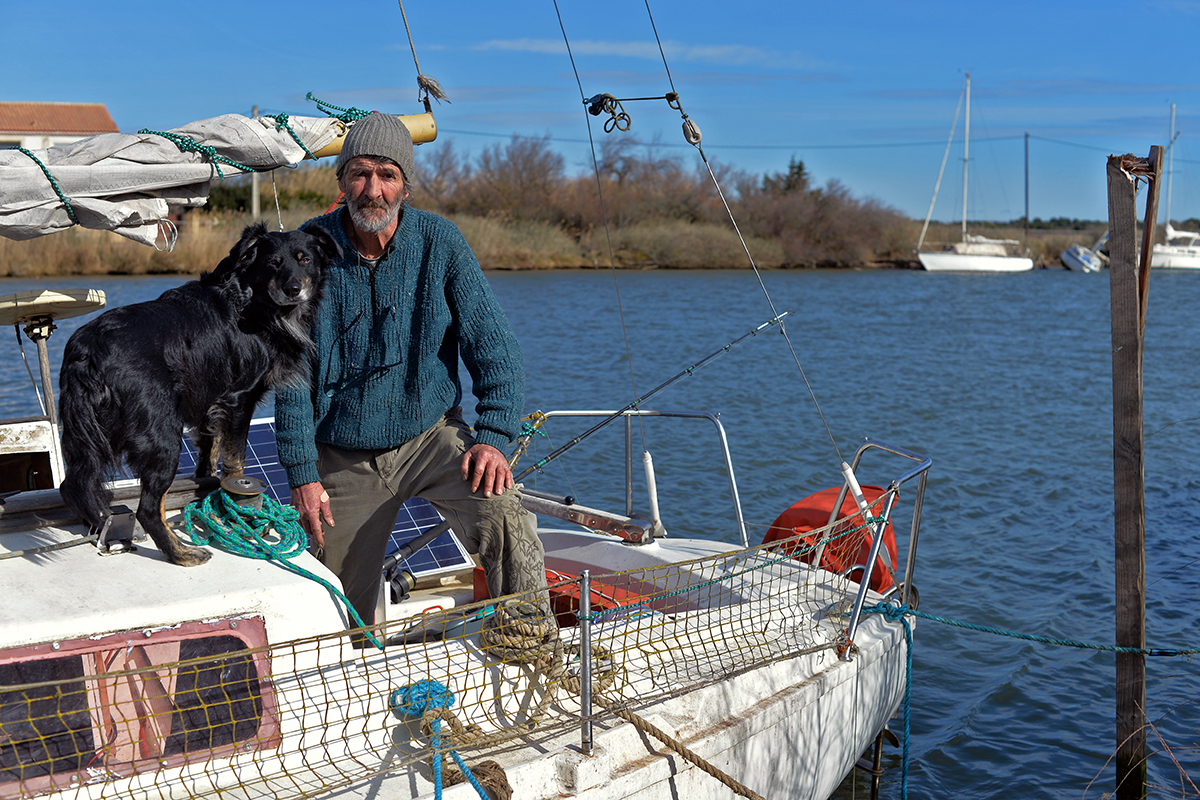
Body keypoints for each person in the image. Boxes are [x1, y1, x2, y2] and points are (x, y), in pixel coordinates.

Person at [273, 112, 551, 635]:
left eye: (387, 174)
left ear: (406, 184)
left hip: (431, 437)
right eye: (359, 173)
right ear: (340, 181)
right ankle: (350, 688)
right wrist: (303, 474)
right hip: (342, 454)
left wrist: (492, 438)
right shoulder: (307, 249)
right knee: (333, 611)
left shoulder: (440, 244)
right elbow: (291, 379)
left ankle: (529, 641)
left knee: (505, 516)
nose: (372, 189)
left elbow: (495, 347)